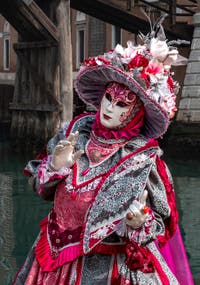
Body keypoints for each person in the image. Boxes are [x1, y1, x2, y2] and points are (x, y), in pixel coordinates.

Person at [13, 24, 194, 285]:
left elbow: (160, 225)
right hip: (52, 260)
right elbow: (40, 186)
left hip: (110, 268)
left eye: (122, 104)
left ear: (136, 112)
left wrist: (138, 221)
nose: (109, 107)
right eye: (109, 98)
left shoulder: (143, 158)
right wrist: (54, 166)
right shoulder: (74, 133)